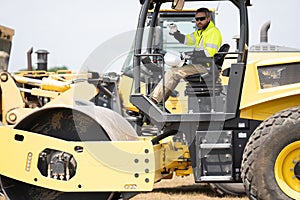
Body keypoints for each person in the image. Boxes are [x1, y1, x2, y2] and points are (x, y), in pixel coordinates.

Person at [150, 7, 222, 104]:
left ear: (208, 18)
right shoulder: (200, 32)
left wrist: (189, 55)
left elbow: (209, 53)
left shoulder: (213, 32)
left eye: (202, 19)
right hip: (201, 65)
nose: (199, 21)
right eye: (197, 19)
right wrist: (176, 33)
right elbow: (186, 40)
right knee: (175, 72)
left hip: (206, 67)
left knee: (173, 73)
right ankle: (161, 100)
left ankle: (154, 100)